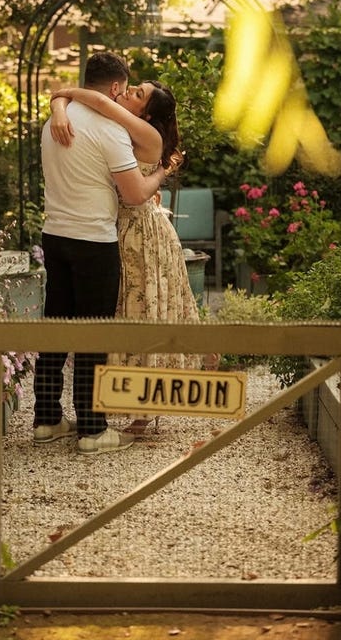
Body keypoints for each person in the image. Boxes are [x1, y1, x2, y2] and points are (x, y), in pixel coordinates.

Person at [50, 79, 214, 435]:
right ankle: (107, 404)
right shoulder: (118, 128)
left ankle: (143, 410)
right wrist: (58, 105)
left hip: (144, 234)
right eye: (132, 88)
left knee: (146, 310)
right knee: (122, 311)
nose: (127, 94)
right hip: (114, 232)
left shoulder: (147, 135)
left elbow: (100, 102)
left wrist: (64, 95)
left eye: (137, 94)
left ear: (148, 113)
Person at [35, 52, 167, 456]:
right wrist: (163, 173)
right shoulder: (109, 130)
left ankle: (46, 419)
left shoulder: (53, 121)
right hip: (93, 241)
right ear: (115, 89)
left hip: (54, 236)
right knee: (94, 335)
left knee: (55, 330)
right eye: (126, 91)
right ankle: (93, 430)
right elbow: (134, 193)